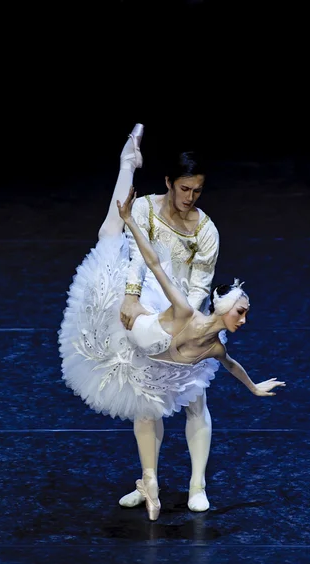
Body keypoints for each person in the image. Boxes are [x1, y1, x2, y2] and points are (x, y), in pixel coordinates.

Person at [101, 123, 222, 514]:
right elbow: (138, 255)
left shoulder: (206, 231)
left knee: (194, 401)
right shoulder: (145, 209)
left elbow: (201, 284)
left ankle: (196, 484)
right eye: (184, 188)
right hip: (149, 313)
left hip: (184, 314)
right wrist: (131, 298)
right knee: (145, 403)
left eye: (197, 190)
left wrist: (184, 323)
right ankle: (148, 481)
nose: (190, 197)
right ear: (169, 182)